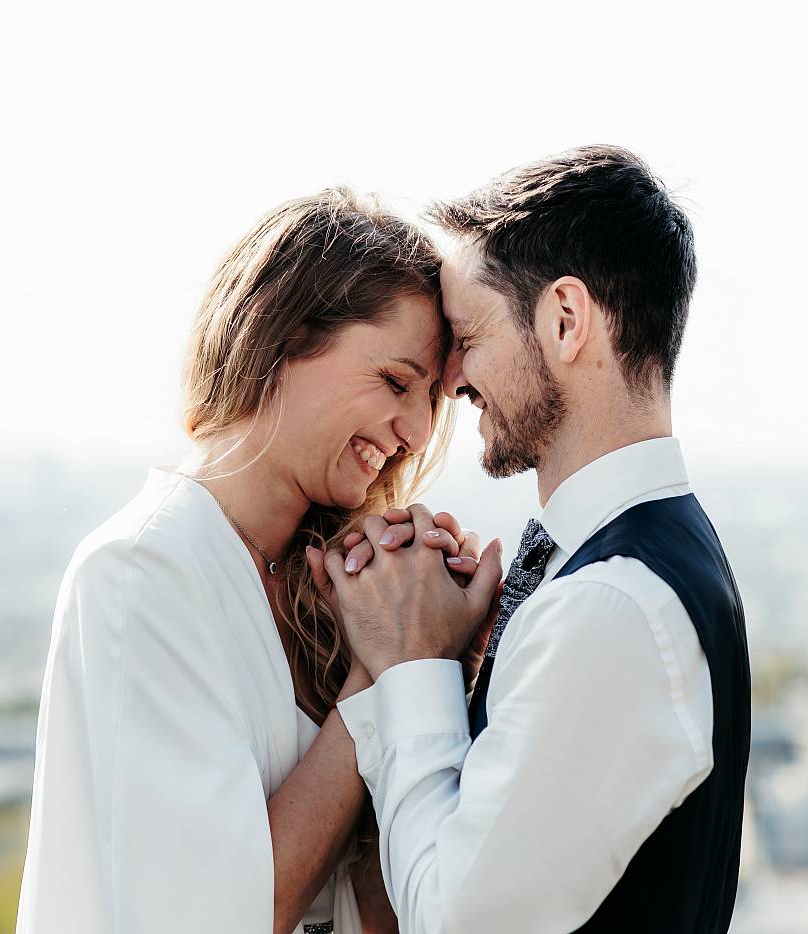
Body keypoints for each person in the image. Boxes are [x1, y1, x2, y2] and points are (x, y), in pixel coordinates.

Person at [16, 186, 491, 933]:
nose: (416, 429)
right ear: (283, 337)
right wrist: (388, 664)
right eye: (397, 382)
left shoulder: (326, 583)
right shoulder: (142, 573)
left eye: (434, 399)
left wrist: (441, 673)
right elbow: (232, 909)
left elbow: (375, 906)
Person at [314, 146, 752, 933]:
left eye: (468, 333)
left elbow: (453, 918)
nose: (451, 380)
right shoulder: (651, 561)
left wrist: (412, 666)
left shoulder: (613, 605)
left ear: (564, 320)